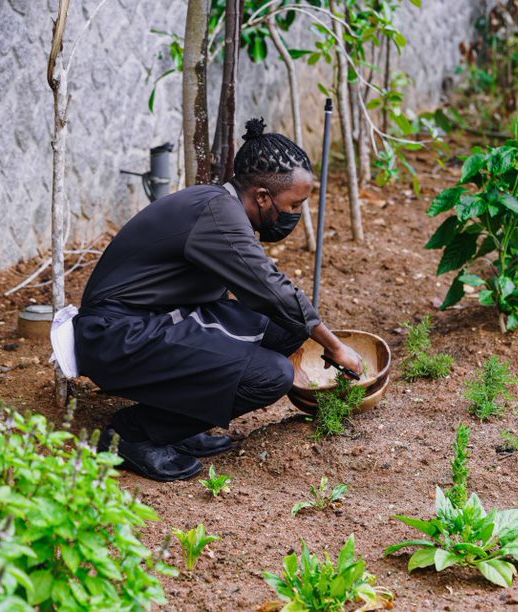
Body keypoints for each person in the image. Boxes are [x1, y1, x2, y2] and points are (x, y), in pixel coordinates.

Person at [74, 118, 363, 481]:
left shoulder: (218, 205)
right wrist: (335, 346)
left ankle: (177, 424)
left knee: (286, 328)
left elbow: (272, 298)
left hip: (155, 321)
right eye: (294, 205)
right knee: (272, 375)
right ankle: (134, 434)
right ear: (262, 196)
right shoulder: (219, 216)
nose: (295, 215)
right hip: (117, 337)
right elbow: (271, 288)